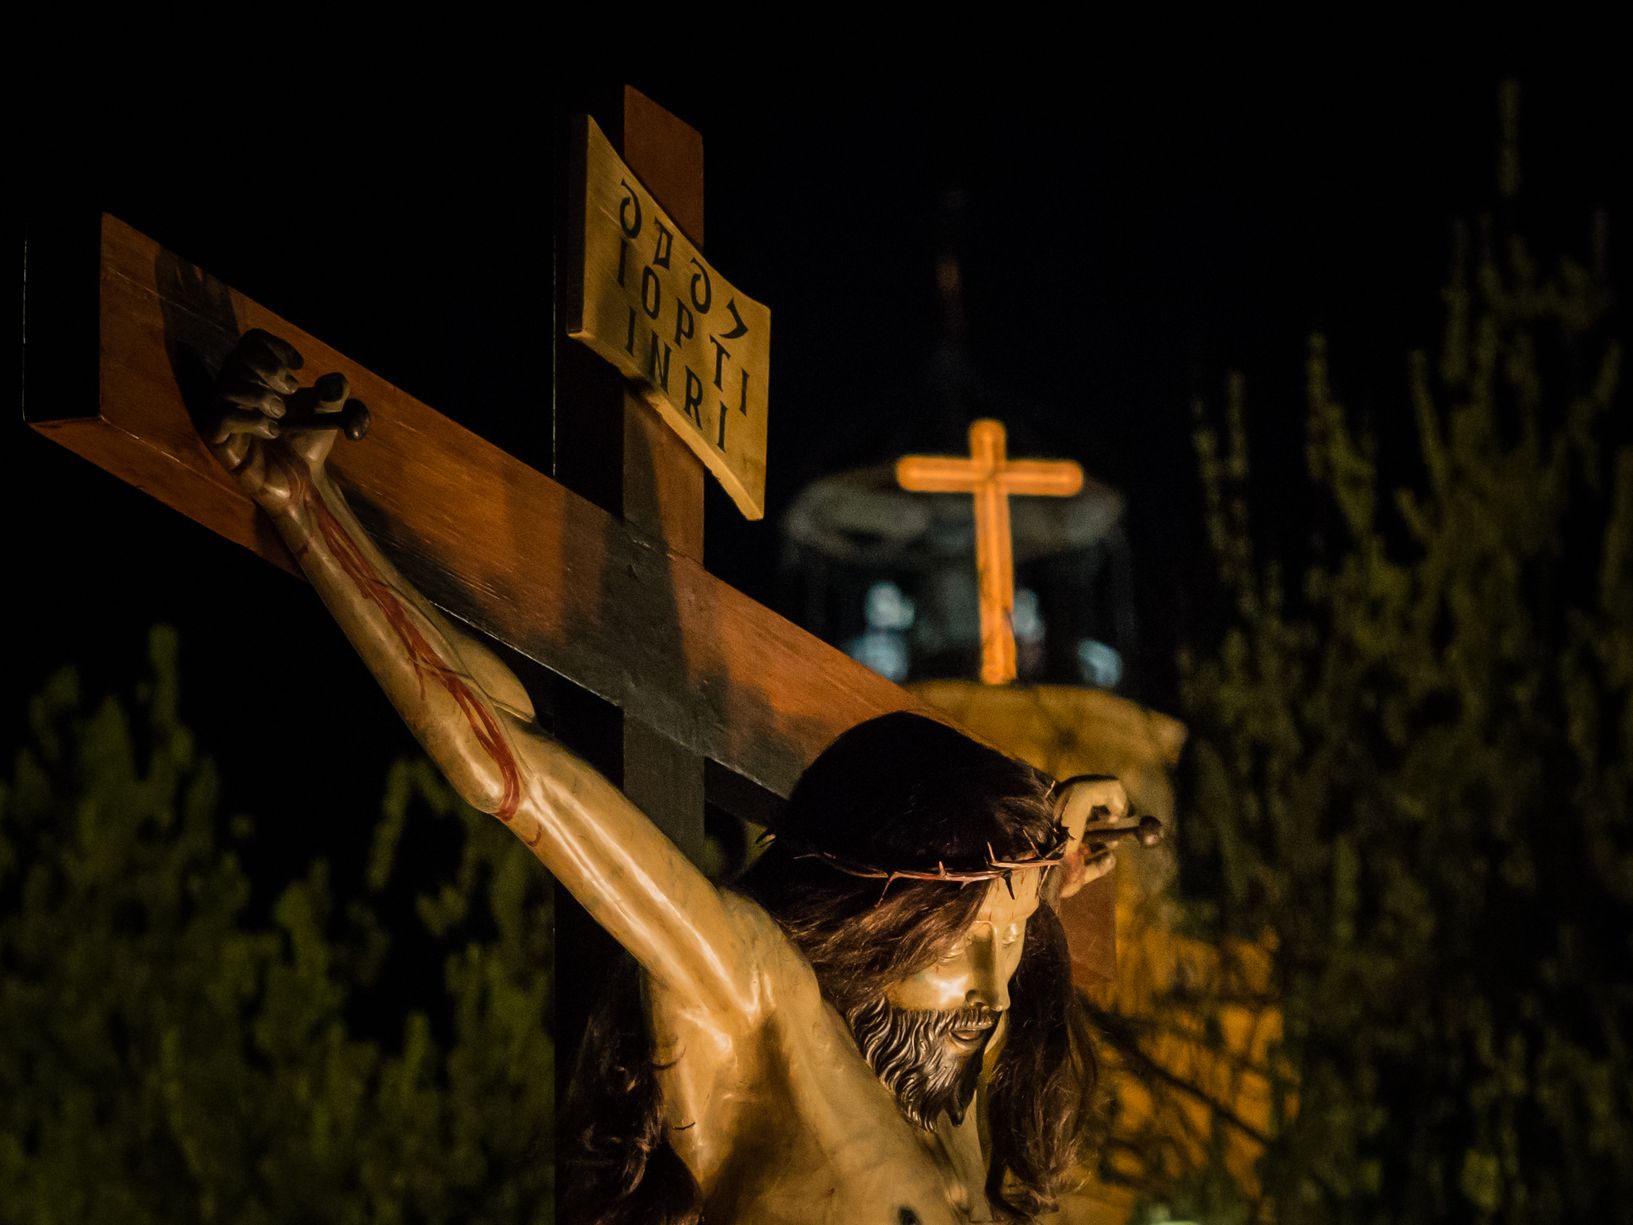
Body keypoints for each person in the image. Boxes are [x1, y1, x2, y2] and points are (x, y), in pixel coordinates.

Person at [208, 331, 1133, 1224]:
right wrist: (309, 512)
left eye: (1012, 937)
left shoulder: (949, 1080)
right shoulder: (761, 1008)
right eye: (960, 943)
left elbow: (993, 900)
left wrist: (1046, 849)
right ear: (880, 908)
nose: (994, 990)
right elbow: (513, 763)